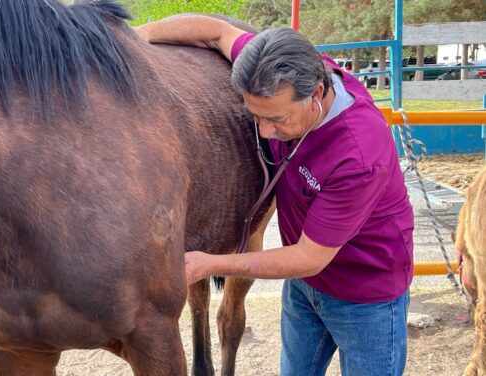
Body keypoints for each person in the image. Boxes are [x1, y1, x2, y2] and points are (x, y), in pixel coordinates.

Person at [136, 15, 414, 376]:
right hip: (305, 290)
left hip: (365, 297)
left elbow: (309, 257)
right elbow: (215, 31)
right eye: (256, 117)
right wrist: (131, 39)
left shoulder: (357, 154)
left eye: (277, 119)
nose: (266, 131)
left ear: (316, 94)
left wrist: (211, 263)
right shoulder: (289, 69)